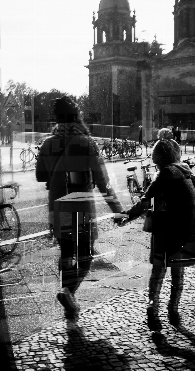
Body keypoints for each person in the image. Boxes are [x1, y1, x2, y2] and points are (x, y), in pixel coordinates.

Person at [36, 96, 124, 319]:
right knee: (85, 255)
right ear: (77, 117)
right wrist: (116, 208)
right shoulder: (86, 143)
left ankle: (68, 295)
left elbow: (40, 176)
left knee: (66, 252)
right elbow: (103, 181)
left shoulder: (48, 143)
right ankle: (69, 292)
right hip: (81, 206)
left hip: (58, 205)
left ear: (56, 118)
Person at [117, 138, 195, 331]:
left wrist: (128, 216)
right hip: (186, 230)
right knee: (178, 273)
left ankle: (153, 312)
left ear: (158, 157)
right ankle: (173, 311)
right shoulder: (184, 173)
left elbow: (147, 202)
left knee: (158, 274)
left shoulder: (165, 174)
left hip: (166, 231)